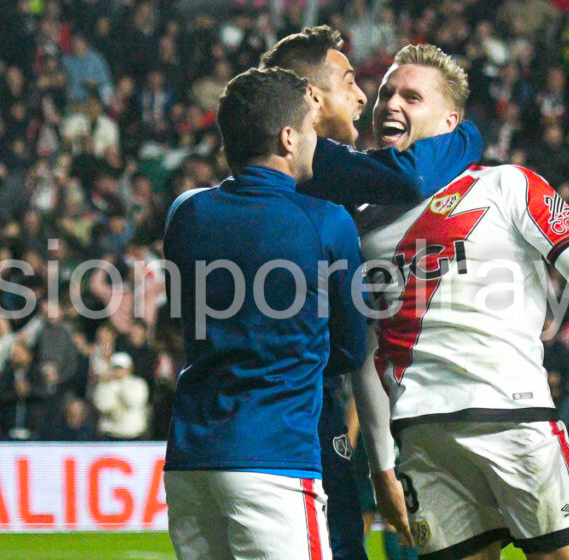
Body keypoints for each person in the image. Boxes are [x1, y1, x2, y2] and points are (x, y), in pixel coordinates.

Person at [349, 44, 569, 560]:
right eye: (385, 93)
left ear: (451, 120)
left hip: (513, 418)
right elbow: (369, 350)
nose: (389, 104)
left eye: (410, 95)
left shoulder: (507, 184)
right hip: (424, 438)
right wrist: (381, 464)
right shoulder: (363, 223)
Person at [260, 25, 484, 560]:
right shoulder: (313, 162)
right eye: (351, 82)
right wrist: (468, 135)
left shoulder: (261, 169)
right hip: (297, 411)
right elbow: (409, 178)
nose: (364, 97)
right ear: (311, 97)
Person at [162, 67, 365, 560]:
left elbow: (182, 314)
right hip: (275, 456)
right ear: (288, 137)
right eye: (313, 130)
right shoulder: (326, 223)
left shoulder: (186, 212)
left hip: (191, 460)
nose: (318, 142)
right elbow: (352, 346)